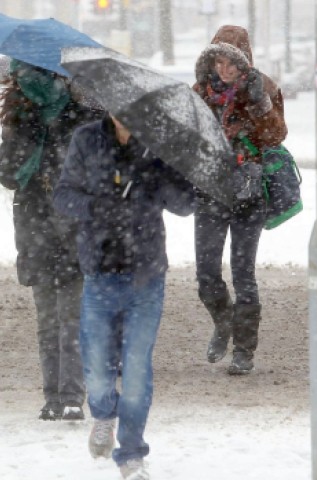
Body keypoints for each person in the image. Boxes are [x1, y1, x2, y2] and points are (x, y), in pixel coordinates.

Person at [53, 113, 195, 479]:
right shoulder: (87, 139)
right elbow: (63, 195)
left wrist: (160, 174)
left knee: (135, 372)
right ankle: (102, 413)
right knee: (98, 370)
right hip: (100, 272)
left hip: (146, 276)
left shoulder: (159, 145)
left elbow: (185, 204)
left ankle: (131, 453)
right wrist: (98, 207)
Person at [0, 60, 103, 420]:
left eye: (36, 76)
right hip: (34, 228)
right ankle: (53, 397)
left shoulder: (82, 115)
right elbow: (9, 175)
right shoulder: (18, 117)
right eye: (23, 77)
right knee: (47, 320)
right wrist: (25, 149)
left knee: (71, 318)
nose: (30, 83)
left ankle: (73, 394)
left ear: (56, 76)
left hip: (73, 227)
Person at [193, 25, 288, 375]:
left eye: (231, 62)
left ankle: (244, 349)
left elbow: (276, 135)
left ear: (244, 60)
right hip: (211, 190)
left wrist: (257, 105)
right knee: (205, 274)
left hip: (250, 193)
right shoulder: (200, 91)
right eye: (218, 60)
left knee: (243, 273)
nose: (224, 69)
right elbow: (188, 138)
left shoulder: (263, 88)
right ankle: (223, 323)